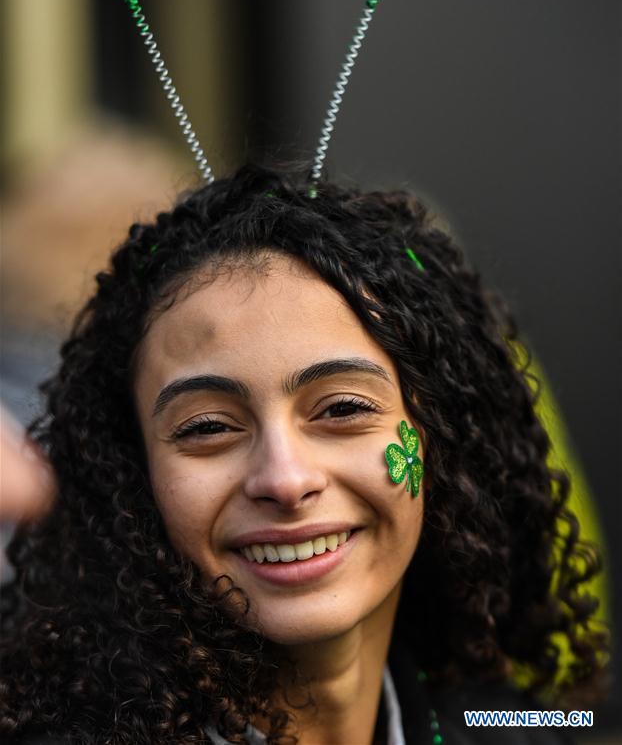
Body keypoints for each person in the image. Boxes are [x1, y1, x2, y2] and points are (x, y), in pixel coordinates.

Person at [0, 164, 608, 744]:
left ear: (438, 433)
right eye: (208, 427)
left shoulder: (510, 726)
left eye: (342, 409)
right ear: (132, 476)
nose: (286, 480)